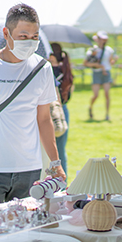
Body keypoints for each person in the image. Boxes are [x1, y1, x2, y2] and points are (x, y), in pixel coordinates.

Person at [0, 4, 66, 203]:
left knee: (27, 229)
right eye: (23, 37)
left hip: (30, 167)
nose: (30, 42)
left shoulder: (42, 68)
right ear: (6, 33)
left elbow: (44, 119)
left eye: (35, 36)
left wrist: (56, 162)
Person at [49, 42, 74, 176]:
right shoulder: (65, 68)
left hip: (51, 111)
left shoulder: (50, 70)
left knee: (53, 149)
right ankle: (62, 182)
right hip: (63, 110)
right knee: (60, 149)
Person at [84, 30, 116, 121]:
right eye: (102, 39)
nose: (103, 41)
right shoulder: (92, 50)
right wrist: (97, 65)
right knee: (96, 95)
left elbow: (110, 62)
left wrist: (114, 61)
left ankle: (107, 114)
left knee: (107, 94)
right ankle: (90, 108)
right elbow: (86, 63)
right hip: (97, 73)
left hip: (106, 72)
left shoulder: (109, 50)